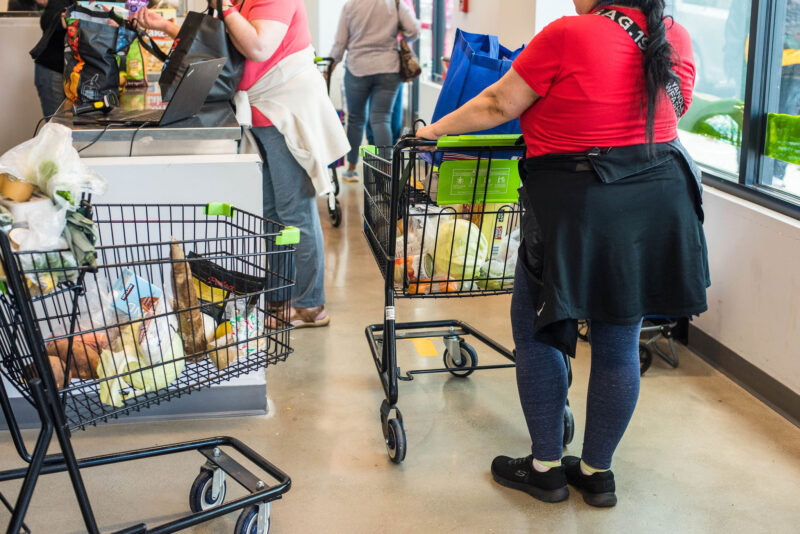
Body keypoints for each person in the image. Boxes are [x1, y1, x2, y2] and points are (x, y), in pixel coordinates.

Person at [417, 0, 709, 507]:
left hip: (576, 206)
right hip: (650, 207)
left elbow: (497, 105)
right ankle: (597, 474)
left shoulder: (568, 35)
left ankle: (546, 468)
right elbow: (672, 112)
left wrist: (433, 131)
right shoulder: (674, 36)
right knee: (618, 342)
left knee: (538, 331)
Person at [134, 0, 349, 328]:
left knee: (296, 213)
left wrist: (227, 8)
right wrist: (165, 27)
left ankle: (310, 305)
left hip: (284, 109)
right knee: (273, 215)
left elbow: (259, 47)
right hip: (261, 113)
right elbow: (221, 39)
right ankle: (279, 298)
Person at [330, 0, 420, 181]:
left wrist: (331, 66)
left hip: (357, 69)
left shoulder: (350, 6)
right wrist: (398, 31)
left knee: (355, 120)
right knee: (381, 119)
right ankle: (386, 172)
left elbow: (340, 43)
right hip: (388, 68)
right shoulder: (394, 4)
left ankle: (351, 169)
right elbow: (414, 31)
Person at [31, 0, 69, 118]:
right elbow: (47, 21)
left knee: (63, 126)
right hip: (52, 71)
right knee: (56, 126)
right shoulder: (57, 6)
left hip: (64, 72)